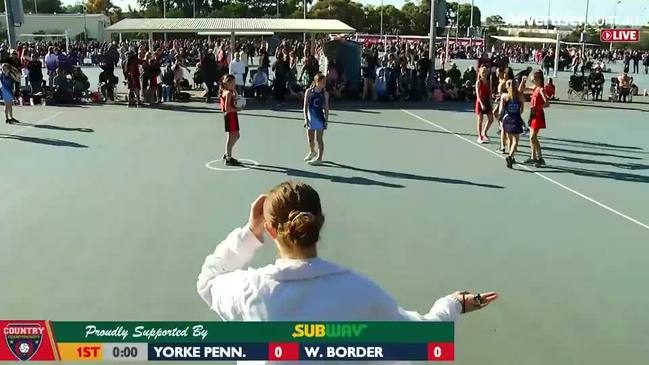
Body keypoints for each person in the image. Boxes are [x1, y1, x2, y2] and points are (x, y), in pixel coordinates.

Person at [197, 181, 497, 323]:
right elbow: (423, 338)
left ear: (272, 230)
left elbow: (208, 283)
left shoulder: (249, 291)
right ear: (319, 221)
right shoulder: (360, 292)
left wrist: (251, 232)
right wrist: (453, 304)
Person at [521, 70, 549, 167]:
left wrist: (538, 107)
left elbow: (547, 103)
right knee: (531, 137)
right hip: (532, 114)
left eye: (535, 77)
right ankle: (533, 157)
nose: (533, 79)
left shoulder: (541, 89)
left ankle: (540, 158)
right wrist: (523, 81)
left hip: (538, 115)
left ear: (540, 79)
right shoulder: (535, 88)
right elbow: (522, 89)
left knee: (533, 137)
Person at [303, 73, 329, 166]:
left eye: (324, 82)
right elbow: (305, 107)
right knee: (310, 139)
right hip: (311, 117)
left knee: (319, 139)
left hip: (319, 118)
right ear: (316, 82)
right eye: (322, 82)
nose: (323, 83)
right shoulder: (309, 92)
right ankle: (312, 151)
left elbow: (326, 108)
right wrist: (306, 118)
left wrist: (326, 120)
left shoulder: (325, 94)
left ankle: (319, 158)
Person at [499, 80, 525, 169]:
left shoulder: (504, 96)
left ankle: (511, 155)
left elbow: (502, 110)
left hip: (507, 119)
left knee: (509, 138)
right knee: (516, 140)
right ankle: (510, 156)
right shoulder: (519, 96)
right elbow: (521, 109)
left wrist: (501, 119)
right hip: (516, 119)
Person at [220, 74, 241, 166]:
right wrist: (237, 110)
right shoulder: (228, 93)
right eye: (233, 83)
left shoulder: (227, 91)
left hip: (231, 115)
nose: (234, 84)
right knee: (234, 136)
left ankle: (227, 154)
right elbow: (227, 108)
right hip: (230, 115)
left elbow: (237, 96)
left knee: (235, 136)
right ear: (227, 84)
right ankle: (228, 156)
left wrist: (234, 90)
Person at [474, 66, 493, 144]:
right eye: (483, 73)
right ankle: (479, 136)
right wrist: (481, 104)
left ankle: (484, 132)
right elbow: (478, 95)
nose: (484, 74)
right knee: (480, 120)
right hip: (480, 103)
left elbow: (490, 93)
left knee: (491, 119)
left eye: (485, 72)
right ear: (480, 73)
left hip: (487, 102)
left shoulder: (488, 82)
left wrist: (491, 103)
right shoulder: (479, 82)